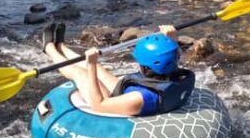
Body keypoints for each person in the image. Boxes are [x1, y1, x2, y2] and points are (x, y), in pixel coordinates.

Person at [41, 22, 195, 117]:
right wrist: (170, 39)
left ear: (145, 67)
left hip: (114, 101)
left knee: (80, 73)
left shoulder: (139, 99)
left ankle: (49, 48)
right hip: (137, 90)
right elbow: (170, 55)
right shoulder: (174, 73)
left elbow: (99, 105)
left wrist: (91, 66)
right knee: (101, 69)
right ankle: (61, 46)